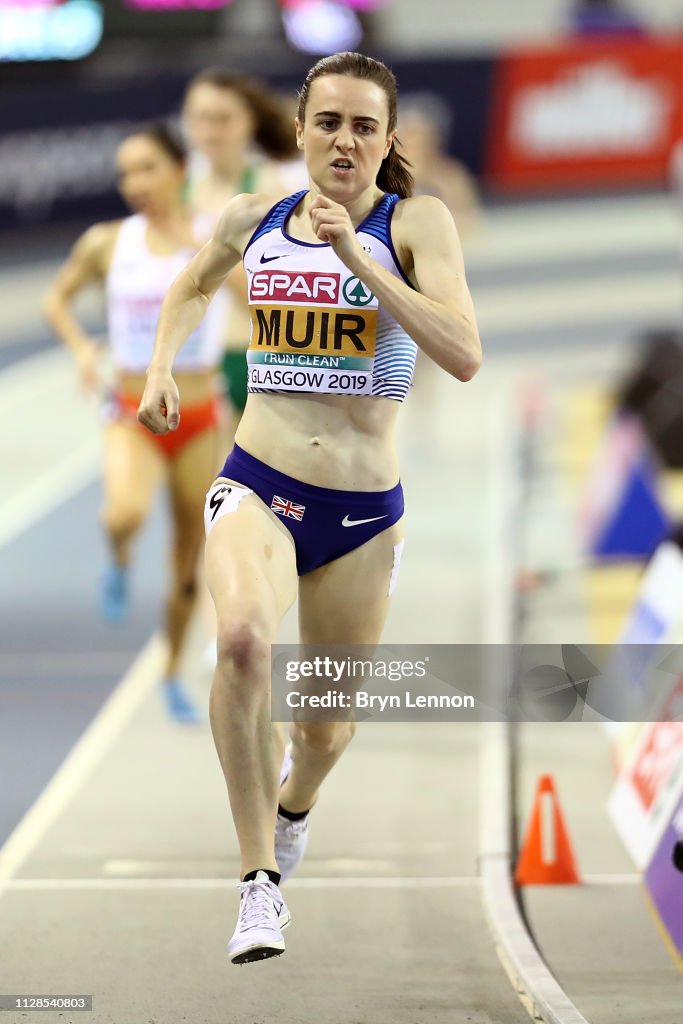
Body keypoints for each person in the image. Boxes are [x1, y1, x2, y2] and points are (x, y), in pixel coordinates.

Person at [138, 52, 481, 964]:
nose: (344, 139)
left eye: (364, 125)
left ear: (387, 141)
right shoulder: (255, 217)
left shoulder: (417, 223)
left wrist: (353, 260)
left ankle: (294, 808)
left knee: (324, 730)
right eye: (327, 121)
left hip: (362, 516)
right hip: (257, 480)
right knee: (244, 641)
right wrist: (163, 363)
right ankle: (259, 886)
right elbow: (192, 282)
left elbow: (461, 352)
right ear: (297, 132)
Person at [43, 123, 224, 724]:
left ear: (180, 170)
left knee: (188, 571)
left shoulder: (214, 238)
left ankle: (171, 673)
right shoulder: (106, 242)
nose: (134, 184)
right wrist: (81, 350)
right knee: (124, 512)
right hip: (130, 412)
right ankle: (119, 558)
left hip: (199, 418)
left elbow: (259, 303)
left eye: (147, 168)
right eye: (125, 173)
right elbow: (56, 299)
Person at [182, 69, 301, 441]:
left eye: (223, 119)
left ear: (249, 121)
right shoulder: (179, 189)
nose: (210, 131)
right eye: (201, 118)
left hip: (242, 356)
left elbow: (281, 297)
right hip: (187, 359)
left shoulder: (268, 189)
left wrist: (202, 253)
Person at [398, 92, 481, 241]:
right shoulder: (381, 178)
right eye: (408, 136)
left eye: (418, 136)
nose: (413, 144)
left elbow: (469, 223)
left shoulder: (451, 175)